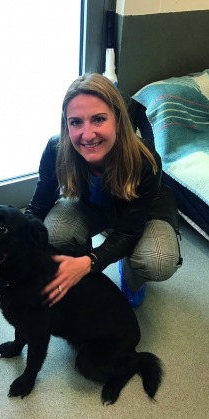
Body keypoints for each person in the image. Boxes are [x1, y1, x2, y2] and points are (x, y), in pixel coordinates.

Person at [24, 73, 182, 307]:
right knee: (54, 233)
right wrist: (14, 241)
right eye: (76, 122)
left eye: (98, 119)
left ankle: (130, 273)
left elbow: (128, 232)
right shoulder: (56, 148)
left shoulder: (145, 160)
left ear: (117, 119)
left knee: (158, 261)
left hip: (141, 215)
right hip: (91, 207)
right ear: (66, 124)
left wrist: (92, 260)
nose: (87, 135)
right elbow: (39, 206)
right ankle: (81, 269)